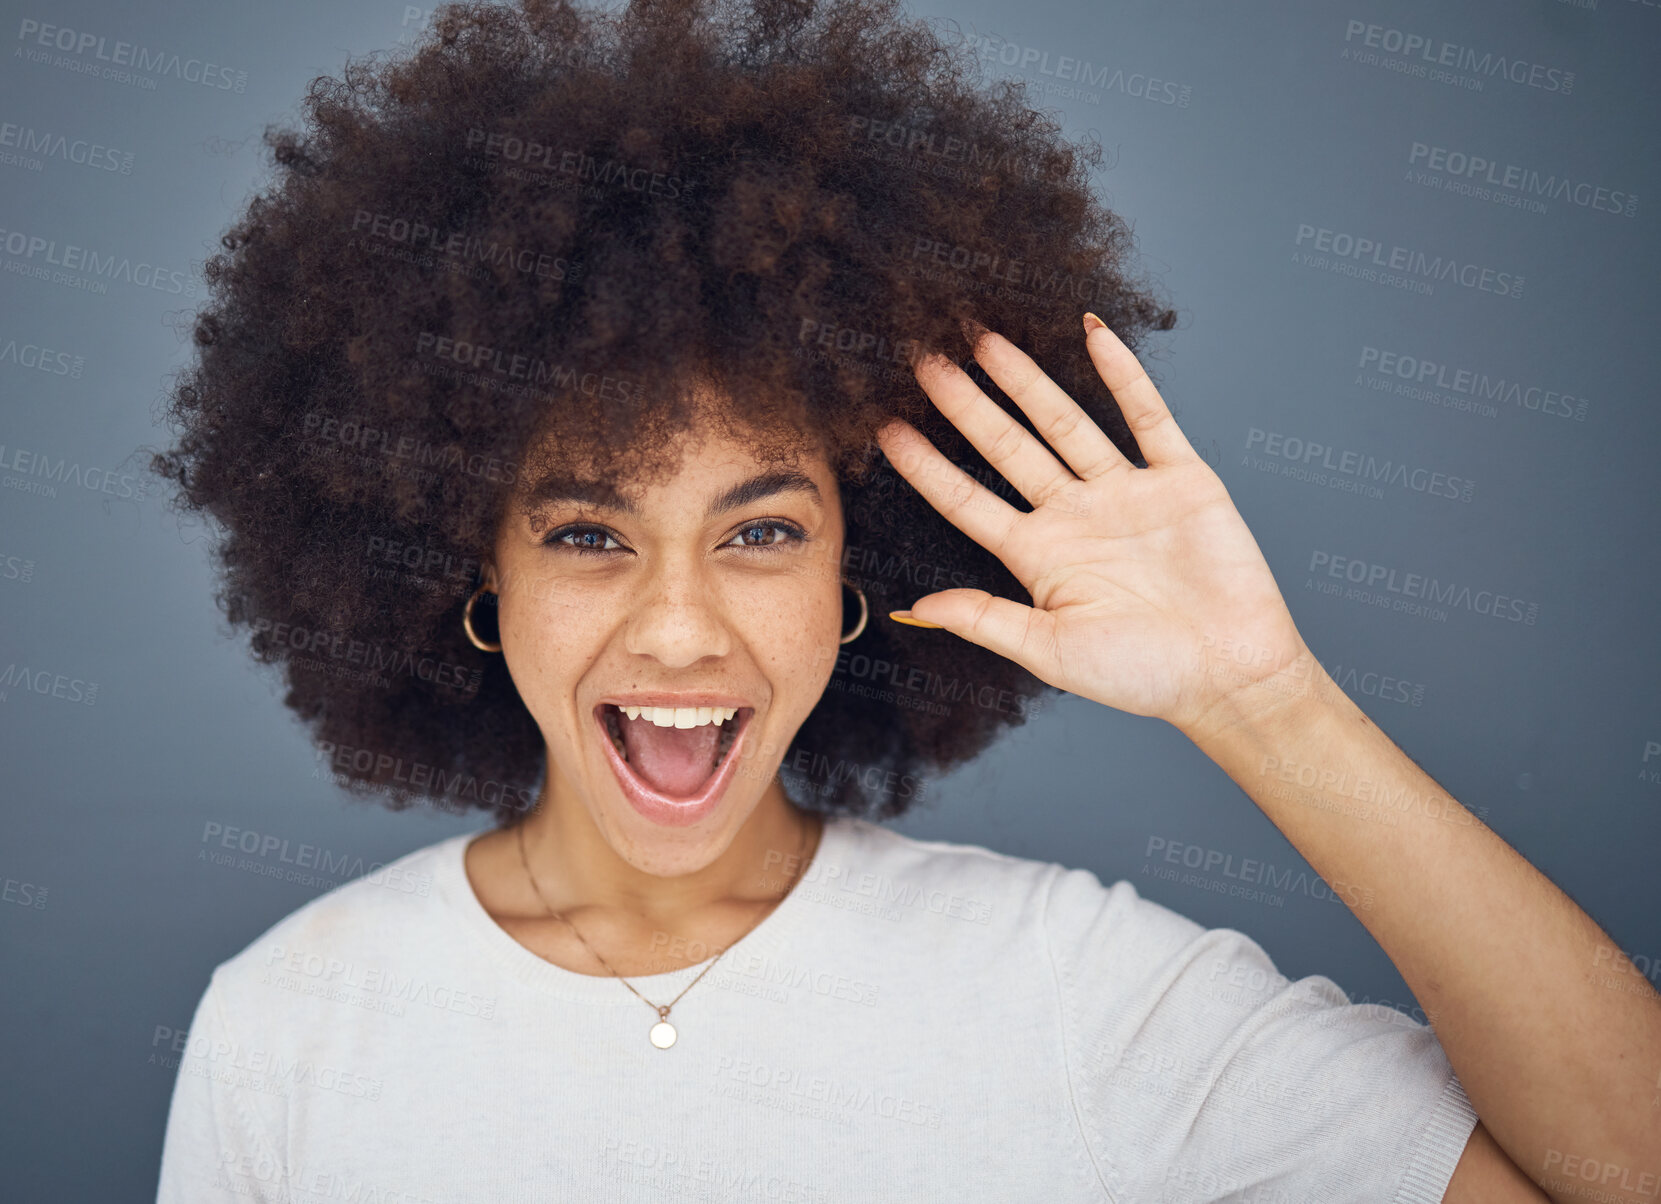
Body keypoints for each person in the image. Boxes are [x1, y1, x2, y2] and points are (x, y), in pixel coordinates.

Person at [151, 0, 1658, 1199]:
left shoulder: (1070, 991)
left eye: (759, 533)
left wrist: (1265, 704)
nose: (678, 628)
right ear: (473, 572)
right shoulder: (290, 1025)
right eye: (591, 539)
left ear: (856, 571)